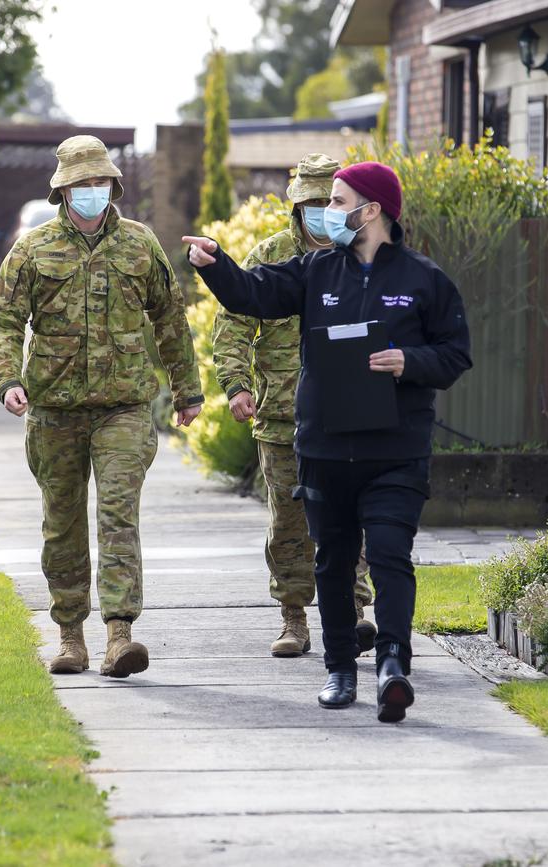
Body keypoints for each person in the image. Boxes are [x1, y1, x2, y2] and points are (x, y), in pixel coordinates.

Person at [184, 161, 472, 722]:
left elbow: (455, 354)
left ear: (373, 211)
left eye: (338, 202)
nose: (328, 213)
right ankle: (341, 670)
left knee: (389, 555)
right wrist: (216, 264)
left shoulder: (424, 279)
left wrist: (410, 361)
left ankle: (393, 664)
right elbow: (251, 294)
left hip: (396, 451)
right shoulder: (316, 270)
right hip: (325, 450)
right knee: (333, 562)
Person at [0, 135, 203, 679]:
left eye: (100, 181)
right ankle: (70, 636)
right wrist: (6, 379)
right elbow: (3, 323)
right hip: (55, 411)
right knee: (62, 523)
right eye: (82, 183)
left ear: (113, 186)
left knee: (117, 514)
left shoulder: (139, 244)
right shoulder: (32, 250)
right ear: (63, 189)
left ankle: (120, 634)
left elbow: (170, 320)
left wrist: (187, 389)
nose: (92, 191)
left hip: (124, 407)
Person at [212, 153, 375, 657]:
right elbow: (234, 321)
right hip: (283, 417)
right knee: (289, 522)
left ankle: (354, 612)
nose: (318, 211)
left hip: (350, 414)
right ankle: (294, 618)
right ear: (296, 206)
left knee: (350, 515)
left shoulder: (368, 255)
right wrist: (237, 384)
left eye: (327, 201)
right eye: (309, 202)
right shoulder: (272, 255)